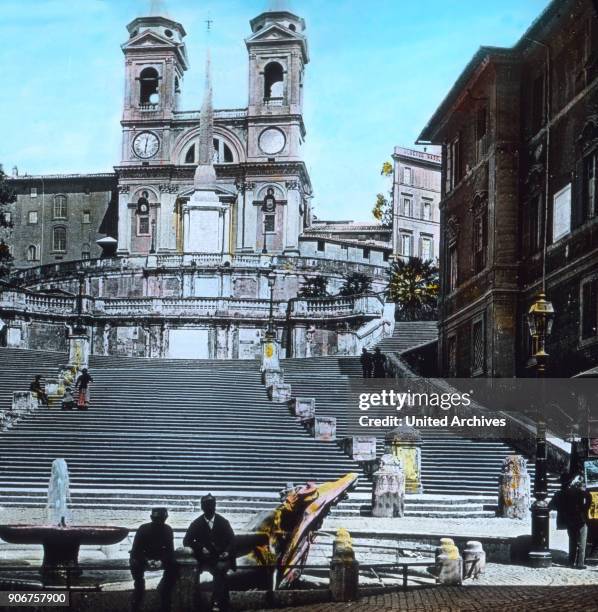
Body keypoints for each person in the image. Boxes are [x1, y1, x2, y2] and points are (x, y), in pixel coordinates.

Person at [183, 494, 235, 612]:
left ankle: (217, 601)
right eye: (206, 506)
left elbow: (232, 540)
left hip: (220, 557)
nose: (210, 509)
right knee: (196, 573)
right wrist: (200, 548)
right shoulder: (196, 523)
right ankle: (202, 601)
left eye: (212, 506)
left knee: (220, 570)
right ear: (202, 508)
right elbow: (186, 541)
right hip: (204, 558)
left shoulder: (223, 522)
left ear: (215, 506)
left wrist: (227, 552)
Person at [130, 507, 177, 612]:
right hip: (144, 558)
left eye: (162, 519)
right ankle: (138, 596)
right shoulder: (143, 529)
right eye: (157, 519)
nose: (159, 522)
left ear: (166, 518)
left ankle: (164, 591)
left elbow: (170, 551)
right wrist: (146, 561)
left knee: (174, 567)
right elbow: (135, 551)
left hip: (160, 559)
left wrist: (161, 561)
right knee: (135, 565)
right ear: (151, 518)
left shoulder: (168, 530)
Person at [562, 474, 593, 568]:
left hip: (570, 519)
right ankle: (580, 563)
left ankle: (571, 562)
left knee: (572, 541)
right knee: (582, 542)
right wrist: (585, 509)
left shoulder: (568, 492)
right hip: (581, 519)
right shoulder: (583, 493)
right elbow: (589, 499)